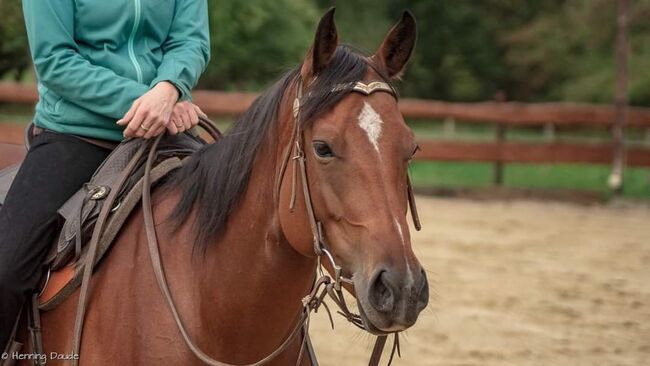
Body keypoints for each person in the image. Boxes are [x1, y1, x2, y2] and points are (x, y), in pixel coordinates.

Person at [0, 0, 210, 349]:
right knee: (4, 272)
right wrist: (149, 100)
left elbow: (190, 40)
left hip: (165, 131)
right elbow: (55, 61)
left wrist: (169, 86)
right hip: (76, 133)